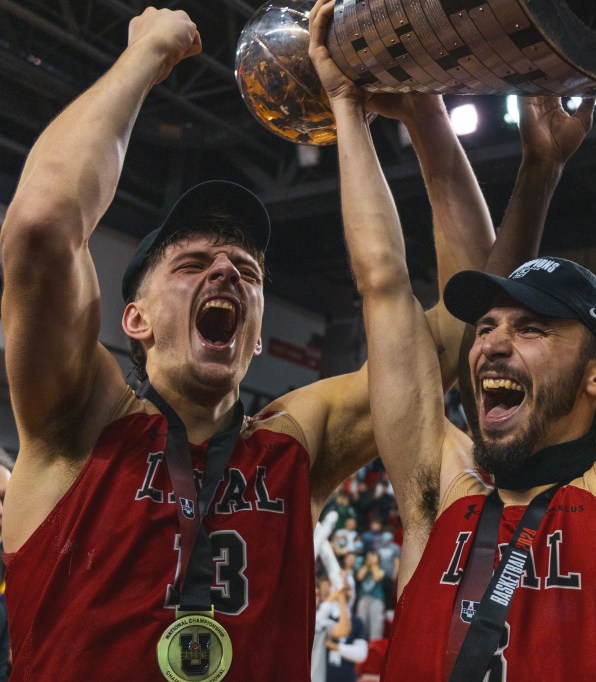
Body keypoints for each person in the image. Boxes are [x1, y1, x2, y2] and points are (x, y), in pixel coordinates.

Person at [0, 6, 496, 679]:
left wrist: (429, 120)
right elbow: (40, 223)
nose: (227, 269)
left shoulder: (296, 443)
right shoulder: (80, 420)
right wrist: (146, 55)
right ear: (136, 320)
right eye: (191, 262)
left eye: (248, 271)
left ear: (257, 337)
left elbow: (462, 324)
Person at [308, 1, 596, 679]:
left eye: (532, 328)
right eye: (488, 326)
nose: (491, 344)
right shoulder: (438, 495)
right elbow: (382, 283)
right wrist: (346, 107)